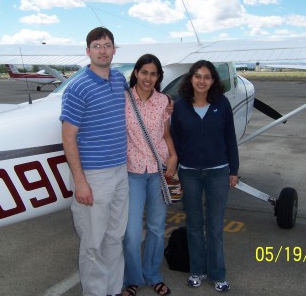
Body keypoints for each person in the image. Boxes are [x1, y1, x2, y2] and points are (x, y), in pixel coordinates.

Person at [60, 27, 128, 296]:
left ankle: (113, 289)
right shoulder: (78, 87)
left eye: (107, 45)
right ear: (88, 51)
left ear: (114, 49)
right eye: (97, 45)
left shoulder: (119, 78)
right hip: (93, 175)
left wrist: (166, 104)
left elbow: (137, 103)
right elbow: (68, 138)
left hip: (120, 170)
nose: (103, 50)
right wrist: (80, 182)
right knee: (92, 242)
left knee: (115, 237)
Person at [170, 60, 239, 293]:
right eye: (198, 76)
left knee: (215, 225)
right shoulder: (180, 106)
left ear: (213, 81)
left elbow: (230, 138)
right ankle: (196, 271)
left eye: (207, 77)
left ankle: (218, 274)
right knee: (194, 224)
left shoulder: (222, 104)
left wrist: (234, 170)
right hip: (189, 172)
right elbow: (175, 140)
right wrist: (175, 168)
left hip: (217, 171)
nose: (202, 81)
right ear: (191, 78)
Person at [122, 54, 177, 296]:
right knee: (131, 232)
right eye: (144, 72)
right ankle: (132, 278)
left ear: (158, 77)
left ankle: (153, 275)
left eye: (153, 74)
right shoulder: (122, 99)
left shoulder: (164, 101)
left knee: (156, 227)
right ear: (136, 73)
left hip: (157, 171)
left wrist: (173, 157)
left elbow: (165, 136)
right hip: (132, 172)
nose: (148, 78)